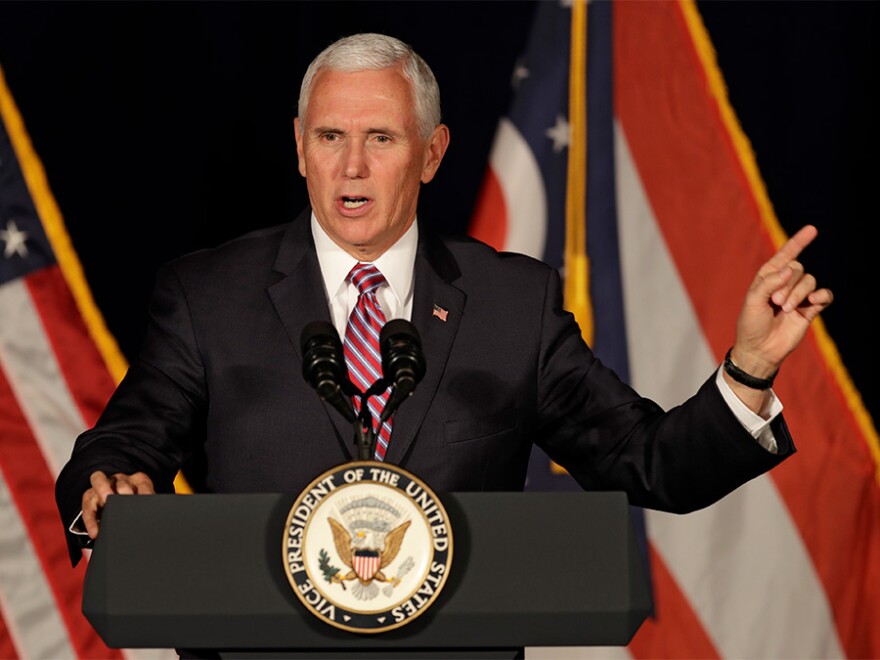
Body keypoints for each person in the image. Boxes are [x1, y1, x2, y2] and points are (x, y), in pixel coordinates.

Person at [56, 33, 832, 566]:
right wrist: (112, 483)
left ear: (432, 153)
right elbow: (126, 442)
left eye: (381, 139)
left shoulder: (509, 303)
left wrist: (750, 370)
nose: (351, 167)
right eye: (330, 138)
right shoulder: (209, 296)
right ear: (299, 146)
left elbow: (652, 464)